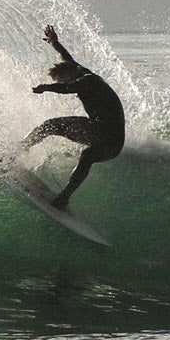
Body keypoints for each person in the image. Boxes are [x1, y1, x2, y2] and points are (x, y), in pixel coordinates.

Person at [21, 24, 125, 208]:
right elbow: (66, 59)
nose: (63, 82)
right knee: (51, 127)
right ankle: (22, 148)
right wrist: (55, 44)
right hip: (99, 132)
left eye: (62, 79)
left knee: (84, 153)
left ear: (68, 74)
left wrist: (46, 88)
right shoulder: (77, 70)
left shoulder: (87, 80)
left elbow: (68, 88)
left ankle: (64, 197)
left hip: (110, 140)